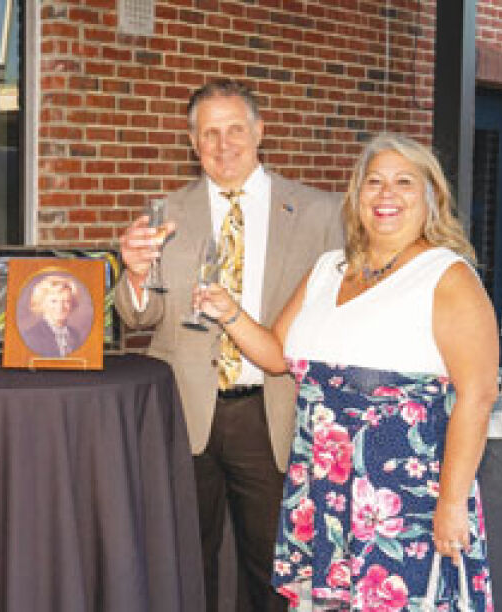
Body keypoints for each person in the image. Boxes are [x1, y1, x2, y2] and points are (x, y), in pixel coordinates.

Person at [195, 133, 496, 610]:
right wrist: (227, 311)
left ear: (431, 197)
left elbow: (478, 396)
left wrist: (452, 505)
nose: (386, 194)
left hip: (403, 505)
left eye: (404, 182)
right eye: (373, 182)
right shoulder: (329, 268)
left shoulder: (447, 276)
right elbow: (277, 355)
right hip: (324, 494)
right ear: (356, 196)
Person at [115, 79, 343, 611]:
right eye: (209, 133)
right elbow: (138, 315)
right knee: (186, 561)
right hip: (185, 414)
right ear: (193, 143)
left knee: (272, 567)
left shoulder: (318, 212)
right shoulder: (164, 211)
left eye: (235, 129)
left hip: (271, 409)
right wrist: (134, 274)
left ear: (260, 131)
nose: (223, 144)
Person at [21, 273, 86, 357]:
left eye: (66, 301)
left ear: (72, 304)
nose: (60, 307)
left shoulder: (74, 334)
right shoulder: (32, 336)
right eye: (54, 301)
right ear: (42, 303)